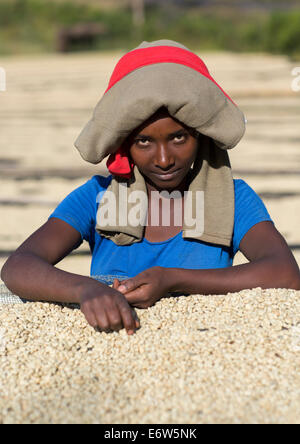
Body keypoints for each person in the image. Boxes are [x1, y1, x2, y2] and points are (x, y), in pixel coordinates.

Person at [1, 40, 299, 336]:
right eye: (144, 141)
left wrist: (172, 280)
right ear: (124, 144)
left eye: (179, 138)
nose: (165, 159)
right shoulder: (97, 197)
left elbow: (284, 273)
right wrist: (86, 289)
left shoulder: (233, 199)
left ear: (200, 135)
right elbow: (19, 266)